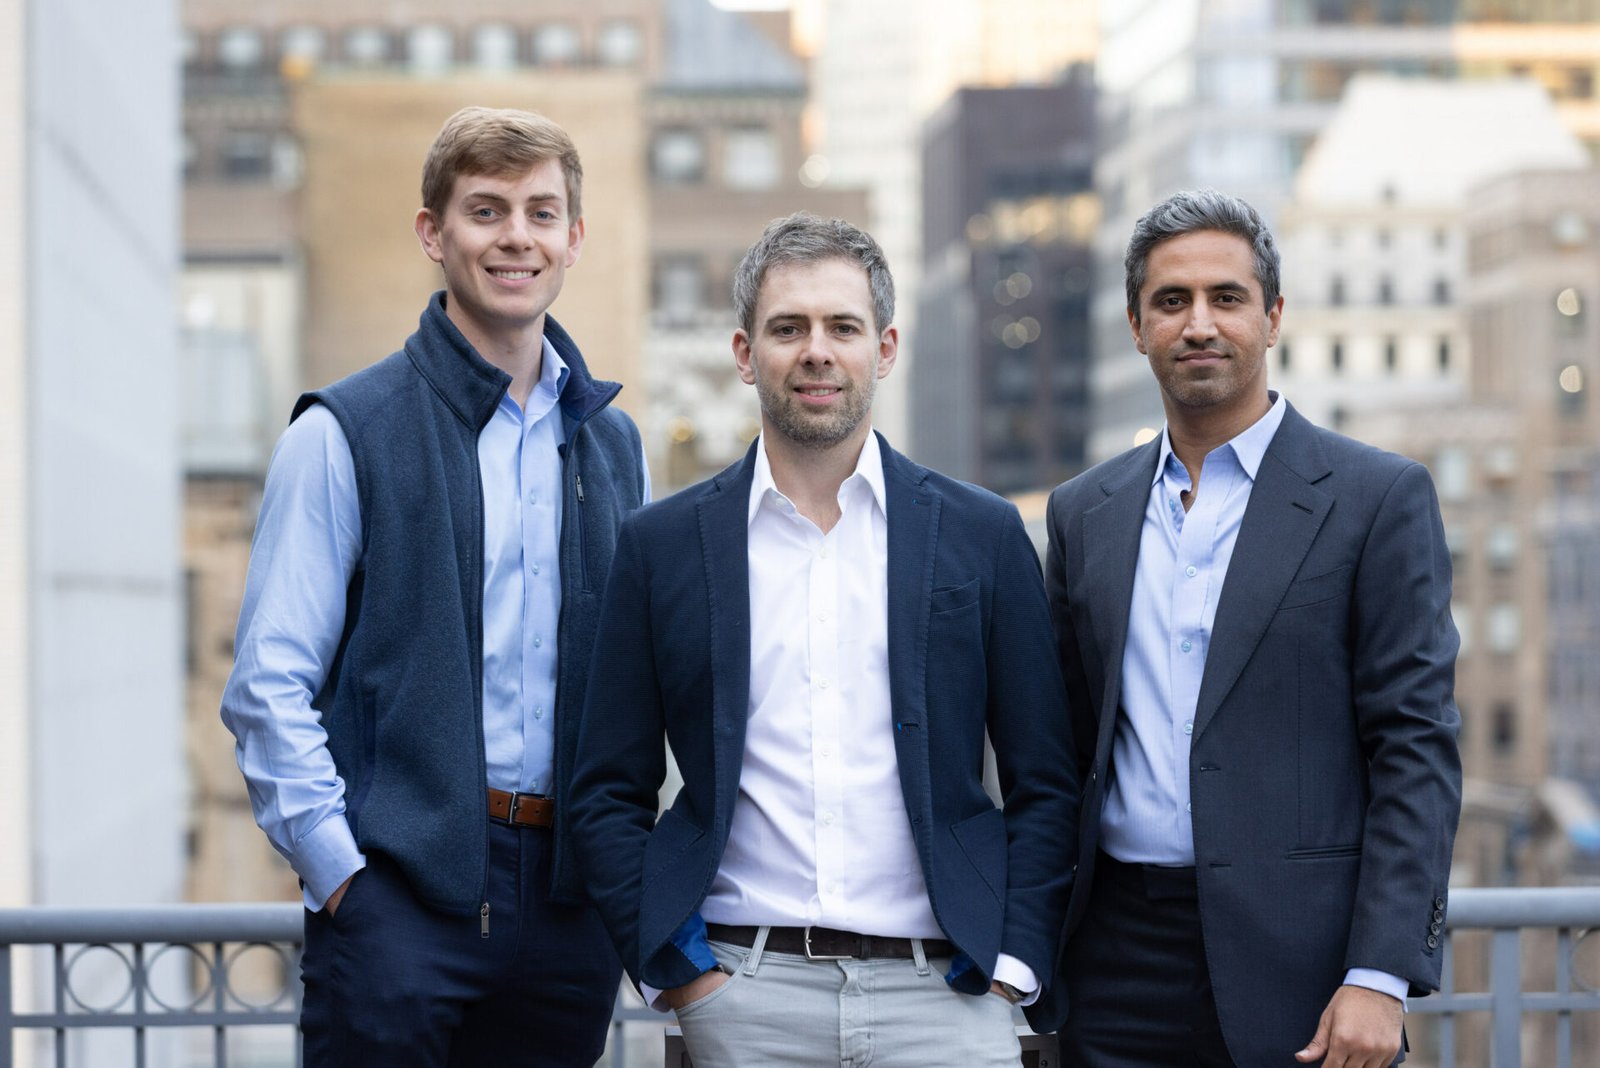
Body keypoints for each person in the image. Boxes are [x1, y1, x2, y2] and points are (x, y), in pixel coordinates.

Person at [568, 211, 1079, 1066]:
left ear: (883, 349)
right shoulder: (662, 548)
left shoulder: (980, 535)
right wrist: (680, 976)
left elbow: (1048, 780)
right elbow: (606, 790)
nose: (816, 351)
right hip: (744, 995)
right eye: (788, 328)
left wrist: (1013, 967)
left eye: (842, 326)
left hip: (946, 1001)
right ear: (744, 354)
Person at [220, 106, 648, 1066]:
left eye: (542, 213)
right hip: (398, 902)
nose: (515, 238)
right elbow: (266, 684)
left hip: (568, 909)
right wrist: (344, 883)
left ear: (574, 239)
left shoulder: (614, 447)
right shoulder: (343, 432)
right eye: (486, 210)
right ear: (433, 233)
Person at [1038, 188, 1462, 1067]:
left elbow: (1414, 746)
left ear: (1272, 316)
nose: (1199, 324)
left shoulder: (1376, 499)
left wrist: (1380, 974)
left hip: (1306, 973)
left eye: (1226, 299)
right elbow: (1062, 752)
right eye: (1171, 302)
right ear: (1136, 326)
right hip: (1113, 963)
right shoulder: (1085, 513)